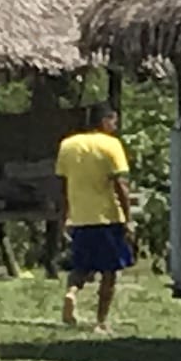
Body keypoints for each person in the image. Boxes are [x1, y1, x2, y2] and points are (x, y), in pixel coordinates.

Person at [55, 102, 134, 330]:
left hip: (80, 216)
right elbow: (120, 184)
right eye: (114, 122)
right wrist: (127, 218)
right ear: (105, 121)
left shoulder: (68, 145)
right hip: (108, 217)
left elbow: (63, 185)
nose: (115, 126)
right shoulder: (111, 145)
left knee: (81, 266)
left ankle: (72, 292)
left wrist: (64, 217)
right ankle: (101, 321)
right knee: (109, 272)